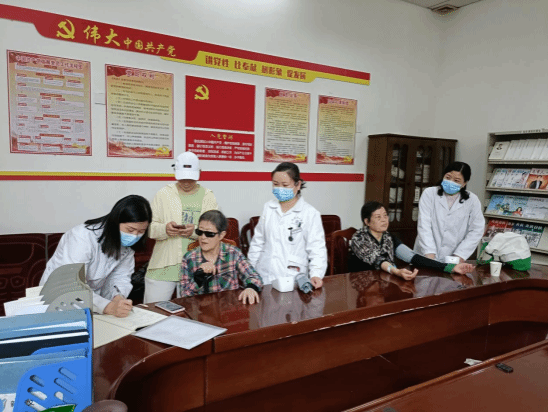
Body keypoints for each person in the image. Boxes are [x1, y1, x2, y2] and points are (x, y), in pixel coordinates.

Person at [40, 195, 152, 317]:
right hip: (58, 300)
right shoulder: (82, 237)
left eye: (141, 231)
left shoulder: (126, 246)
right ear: (116, 221)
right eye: (130, 230)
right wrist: (108, 307)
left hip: (92, 302)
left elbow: (120, 276)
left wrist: (118, 298)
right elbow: (71, 284)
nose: (134, 236)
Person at [145, 151, 218, 303]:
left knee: (192, 311)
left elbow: (214, 231)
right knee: (153, 310)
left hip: (196, 264)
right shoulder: (163, 194)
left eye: (190, 179)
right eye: (183, 178)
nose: (186, 183)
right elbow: (149, 228)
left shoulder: (207, 196)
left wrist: (195, 231)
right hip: (164, 264)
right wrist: (165, 229)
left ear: (199, 173)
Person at [248, 162, 327, 288]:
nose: (280, 188)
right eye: (275, 184)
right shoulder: (268, 208)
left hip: (292, 277)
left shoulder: (310, 213)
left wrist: (316, 274)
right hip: (264, 274)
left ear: (298, 184)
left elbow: (317, 248)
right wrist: (249, 271)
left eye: (285, 185)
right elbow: (257, 242)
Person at [351, 201, 476, 279]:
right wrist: (396, 271)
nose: (384, 220)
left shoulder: (388, 237)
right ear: (367, 221)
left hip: (385, 281)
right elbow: (379, 260)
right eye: (378, 217)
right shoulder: (359, 238)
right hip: (364, 284)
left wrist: (450, 268)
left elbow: (413, 257)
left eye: (385, 215)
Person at [180, 210, 263, 304]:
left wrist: (251, 288)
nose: (203, 237)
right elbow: (184, 296)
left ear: (221, 235)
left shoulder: (233, 253)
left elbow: (254, 277)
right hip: (202, 309)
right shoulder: (189, 258)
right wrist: (198, 279)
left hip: (230, 307)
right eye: (199, 232)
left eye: (209, 234)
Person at [414, 161, 485, 263]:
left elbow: (476, 230)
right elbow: (424, 225)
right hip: (425, 254)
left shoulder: (472, 200)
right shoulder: (429, 193)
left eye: (456, 180)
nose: (451, 182)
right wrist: (429, 253)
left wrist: (459, 255)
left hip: (453, 257)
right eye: (448, 177)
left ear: (464, 183)